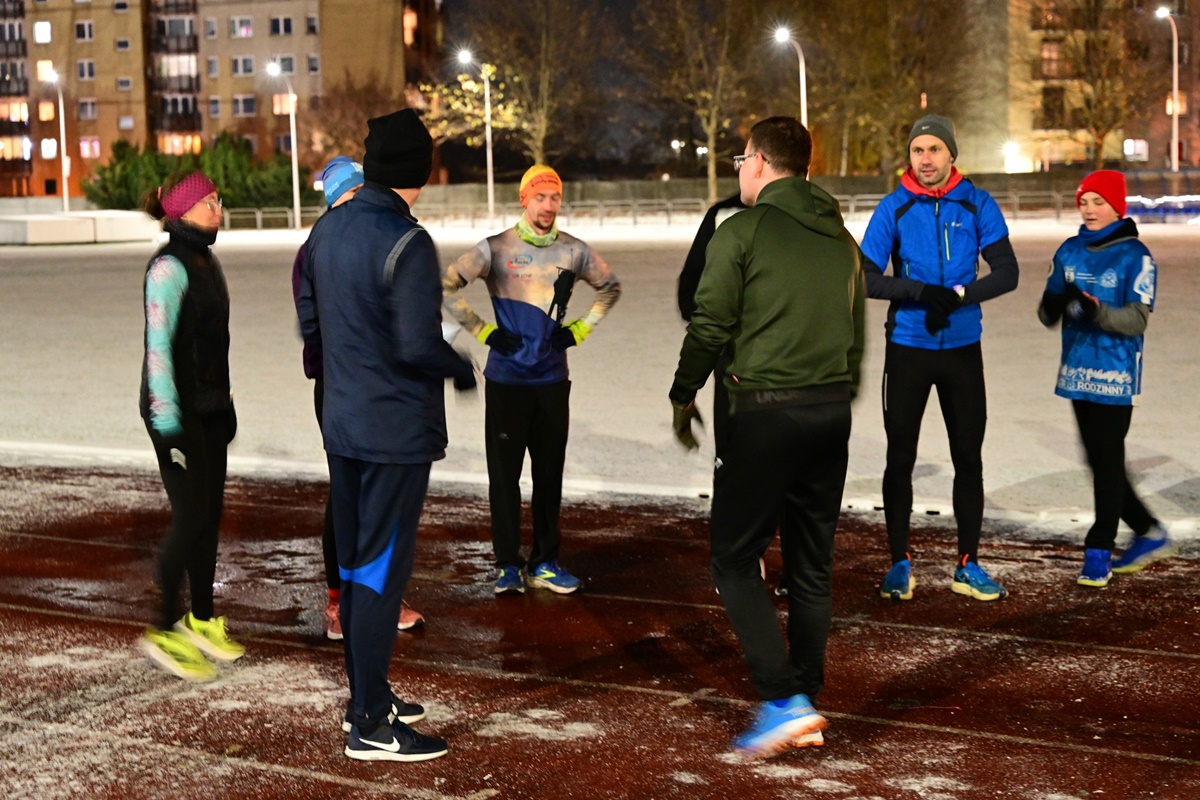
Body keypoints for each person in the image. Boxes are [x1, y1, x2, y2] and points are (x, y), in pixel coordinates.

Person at [670, 116, 865, 758]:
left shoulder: (743, 230)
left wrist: (683, 390)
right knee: (811, 563)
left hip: (763, 413)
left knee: (733, 556)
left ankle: (783, 699)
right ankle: (805, 694)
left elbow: (708, 320)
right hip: (829, 413)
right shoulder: (840, 236)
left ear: (759, 162)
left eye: (741, 158)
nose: (737, 169)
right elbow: (857, 332)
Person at [296, 109, 474, 763]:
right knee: (376, 577)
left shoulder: (326, 231)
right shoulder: (408, 240)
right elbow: (416, 343)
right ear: (419, 171)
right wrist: (461, 367)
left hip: (342, 425)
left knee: (356, 567)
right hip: (392, 431)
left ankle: (367, 694)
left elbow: (313, 326)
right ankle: (370, 722)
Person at [859, 113, 1019, 603]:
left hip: (962, 353)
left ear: (952, 154)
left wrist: (959, 295)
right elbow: (865, 278)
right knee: (899, 458)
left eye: (934, 150)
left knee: (968, 459)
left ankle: (967, 563)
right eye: (917, 151)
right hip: (908, 349)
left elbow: (1007, 272)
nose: (925, 159)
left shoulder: (976, 203)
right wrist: (922, 291)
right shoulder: (895, 207)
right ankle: (899, 563)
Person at [441, 165, 621, 596]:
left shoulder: (574, 251)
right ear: (524, 199)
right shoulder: (495, 249)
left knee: (549, 475)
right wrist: (484, 331)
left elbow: (610, 287)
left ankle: (545, 561)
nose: (548, 205)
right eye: (539, 197)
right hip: (506, 382)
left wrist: (578, 331)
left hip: (552, 382)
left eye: (554, 197)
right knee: (504, 478)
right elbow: (447, 285)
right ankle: (507, 565)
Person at [291, 155, 425, 640]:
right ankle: (337, 600)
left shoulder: (373, 232)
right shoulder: (320, 245)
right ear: (337, 198)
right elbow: (312, 320)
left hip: (375, 381)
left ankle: (379, 595)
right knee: (349, 493)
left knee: (380, 491)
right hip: (341, 384)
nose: (359, 200)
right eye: (351, 193)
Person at [1037, 170, 1174, 587]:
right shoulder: (1069, 250)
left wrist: (1096, 311)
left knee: (1107, 458)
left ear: (1117, 206)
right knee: (1100, 460)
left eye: (1098, 202)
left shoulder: (1136, 255)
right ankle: (1149, 530)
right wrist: (1058, 297)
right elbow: (1046, 315)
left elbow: (1135, 320)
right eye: (1084, 201)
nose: (1089, 209)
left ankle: (1099, 546)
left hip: (1114, 374)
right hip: (1078, 373)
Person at [138, 170, 244, 682]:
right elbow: (159, 351)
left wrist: (223, 404)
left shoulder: (206, 259)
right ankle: (162, 629)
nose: (217, 209)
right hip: (175, 412)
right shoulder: (168, 268)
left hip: (209, 410)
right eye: (208, 202)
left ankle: (201, 617)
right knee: (190, 518)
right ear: (181, 211)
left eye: (218, 200)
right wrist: (169, 425)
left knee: (211, 513)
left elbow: (213, 347)